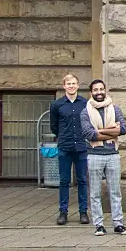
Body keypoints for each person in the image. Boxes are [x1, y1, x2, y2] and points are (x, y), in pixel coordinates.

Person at [80, 79, 126, 236]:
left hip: (113, 155)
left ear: (105, 90)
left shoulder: (115, 109)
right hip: (94, 155)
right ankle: (99, 225)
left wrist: (101, 131)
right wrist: (111, 130)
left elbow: (123, 129)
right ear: (91, 92)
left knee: (115, 192)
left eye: (101, 89)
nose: (99, 92)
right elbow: (89, 134)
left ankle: (118, 224)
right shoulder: (85, 112)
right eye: (95, 90)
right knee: (95, 193)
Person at [50, 73, 89, 226]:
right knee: (64, 181)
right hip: (65, 147)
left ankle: (83, 212)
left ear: (78, 85)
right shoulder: (57, 105)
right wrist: (63, 136)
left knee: (82, 180)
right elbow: (54, 126)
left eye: (74, 83)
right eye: (68, 84)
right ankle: (63, 212)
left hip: (81, 147)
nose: (71, 86)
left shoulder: (85, 103)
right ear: (64, 86)